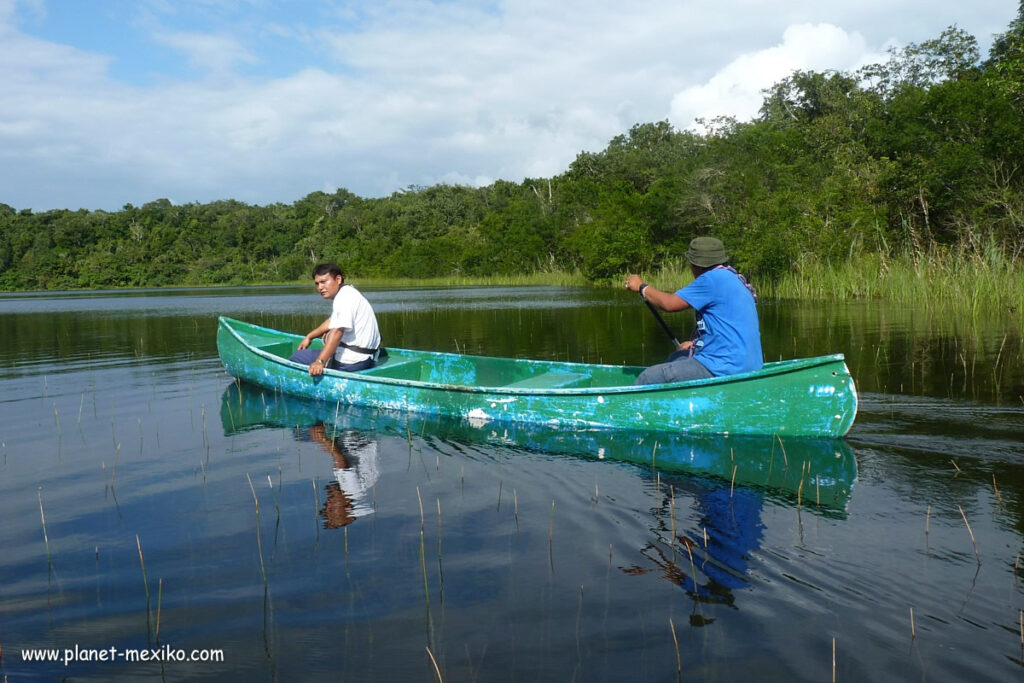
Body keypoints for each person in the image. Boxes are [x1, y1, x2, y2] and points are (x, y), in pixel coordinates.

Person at [625, 236, 762, 385]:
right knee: (676, 358)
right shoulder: (733, 278)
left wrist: (641, 287)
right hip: (749, 365)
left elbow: (669, 304)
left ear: (696, 264)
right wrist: (695, 344)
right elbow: (726, 328)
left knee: (649, 377)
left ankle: (627, 407)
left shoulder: (711, 279)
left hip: (724, 367)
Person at [289, 263, 382, 376]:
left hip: (352, 362)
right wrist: (310, 336)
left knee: (297, 356)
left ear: (338, 279)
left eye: (324, 282)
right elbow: (331, 321)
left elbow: (337, 332)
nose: (320, 288)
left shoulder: (343, 298)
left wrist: (320, 361)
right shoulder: (349, 292)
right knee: (328, 337)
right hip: (368, 358)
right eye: (317, 284)